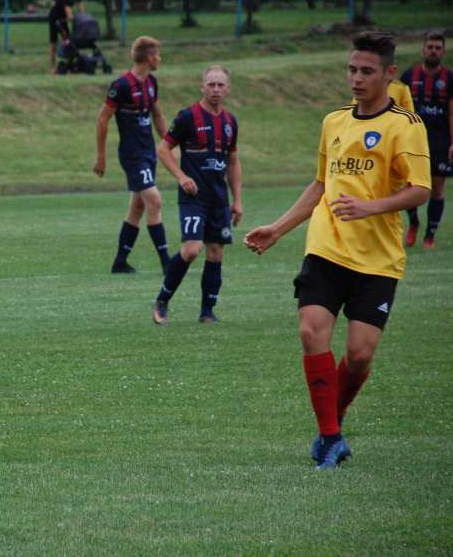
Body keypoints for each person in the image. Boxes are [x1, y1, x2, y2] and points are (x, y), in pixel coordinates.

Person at [243, 31, 430, 470]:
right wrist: (278, 229)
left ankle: (334, 416)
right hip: (326, 248)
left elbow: (420, 190)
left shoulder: (406, 127)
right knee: (311, 331)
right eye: (352, 69)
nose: (356, 78)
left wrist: (370, 206)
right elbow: (321, 184)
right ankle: (330, 438)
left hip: (379, 258)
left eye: (367, 71)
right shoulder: (334, 122)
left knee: (361, 354)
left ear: (389, 74)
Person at [151, 65, 243, 325]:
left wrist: (237, 199)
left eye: (220, 85)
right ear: (201, 87)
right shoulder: (187, 117)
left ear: (228, 89)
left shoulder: (230, 122)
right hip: (193, 197)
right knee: (192, 249)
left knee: (216, 252)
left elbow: (233, 161)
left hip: (219, 198)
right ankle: (162, 301)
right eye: (211, 84)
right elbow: (163, 149)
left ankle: (207, 312)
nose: (215, 89)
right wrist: (182, 176)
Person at [93, 36, 171, 275]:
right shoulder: (121, 85)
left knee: (137, 207)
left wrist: (169, 143)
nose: (159, 58)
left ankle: (120, 262)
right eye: (157, 54)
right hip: (132, 155)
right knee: (155, 201)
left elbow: (157, 116)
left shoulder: (151, 83)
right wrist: (101, 157)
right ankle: (167, 263)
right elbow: (103, 118)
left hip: (148, 153)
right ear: (148, 57)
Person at [400, 31, 453, 248]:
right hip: (412, 140)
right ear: (423, 49)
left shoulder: (449, 79)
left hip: (440, 141)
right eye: (430, 46)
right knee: (409, 184)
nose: (433, 50)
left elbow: (452, 113)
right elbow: (400, 110)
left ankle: (430, 235)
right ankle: (413, 223)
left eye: (437, 47)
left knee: (437, 188)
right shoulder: (408, 76)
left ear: (443, 51)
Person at [48, 0, 84, 72]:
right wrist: (73, 18)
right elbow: (69, 14)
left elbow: (81, 10)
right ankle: (52, 67)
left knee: (68, 41)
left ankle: (70, 64)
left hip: (63, 19)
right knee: (53, 43)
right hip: (54, 19)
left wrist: (83, 18)